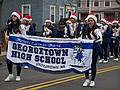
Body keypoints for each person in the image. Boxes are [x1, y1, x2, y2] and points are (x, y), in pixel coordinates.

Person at [81, 13, 102, 87]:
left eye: (91, 20)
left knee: (93, 65)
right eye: (89, 20)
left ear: (94, 21)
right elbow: (82, 37)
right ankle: (86, 79)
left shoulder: (96, 30)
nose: (90, 22)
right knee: (86, 64)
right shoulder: (85, 29)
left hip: (94, 49)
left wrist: (92, 42)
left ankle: (92, 80)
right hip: (86, 50)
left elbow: (99, 39)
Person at [4, 12, 22, 81]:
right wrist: (7, 37)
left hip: (18, 45)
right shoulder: (9, 25)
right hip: (10, 44)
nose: (13, 17)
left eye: (15, 16)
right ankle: (10, 74)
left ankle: (18, 75)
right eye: (12, 16)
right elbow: (6, 33)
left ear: (17, 18)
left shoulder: (21, 26)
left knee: (18, 60)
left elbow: (24, 35)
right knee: (9, 59)